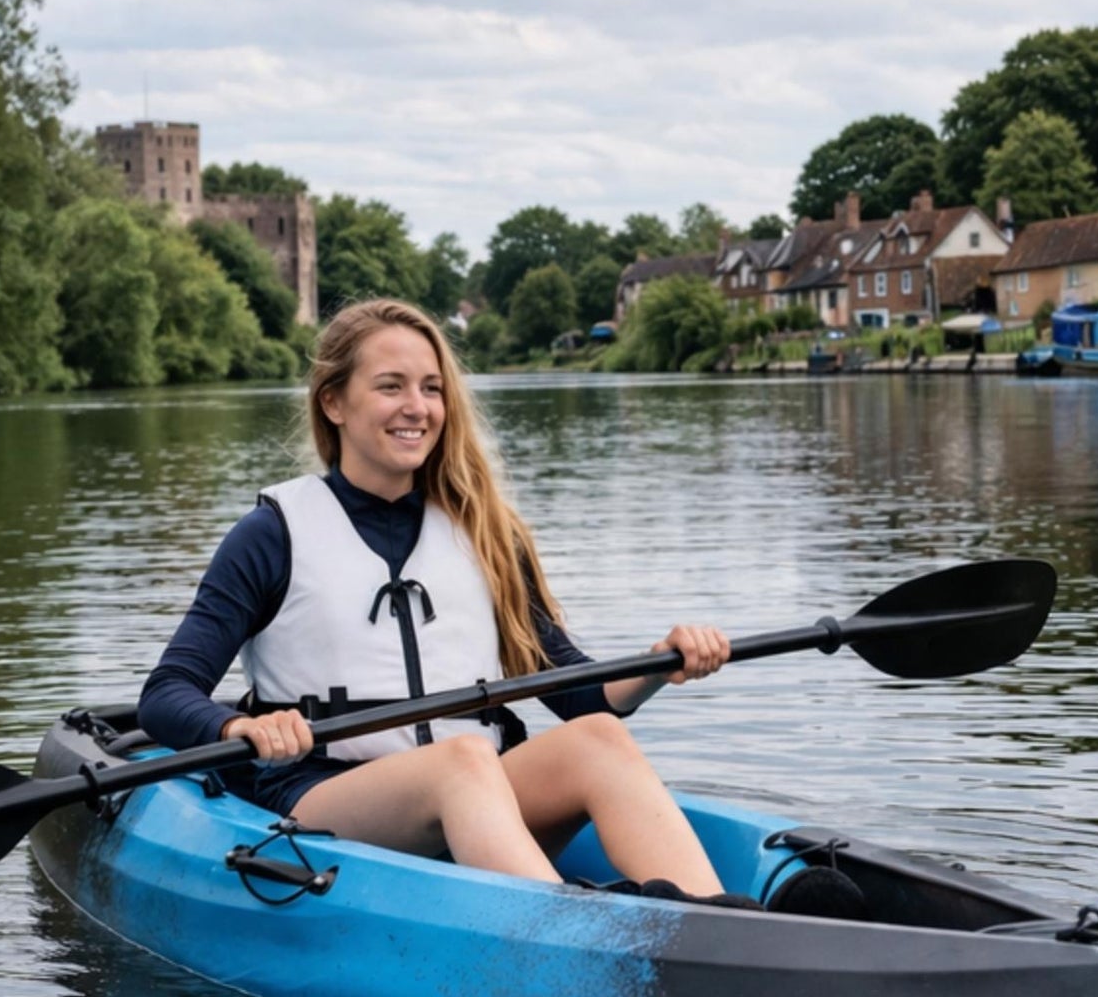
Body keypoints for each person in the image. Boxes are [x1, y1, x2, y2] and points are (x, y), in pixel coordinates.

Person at [137, 296, 738, 898]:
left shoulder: (484, 532)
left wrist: (663, 663)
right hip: (327, 800)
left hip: (478, 796)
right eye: (390, 386)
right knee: (462, 762)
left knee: (599, 742)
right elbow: (165, 695)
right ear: (334, 402)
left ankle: (722, 925)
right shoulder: (271, 536)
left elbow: (578, 694)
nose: (416, 408)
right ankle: (577, 935)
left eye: (431, 388)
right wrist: (238, 728)